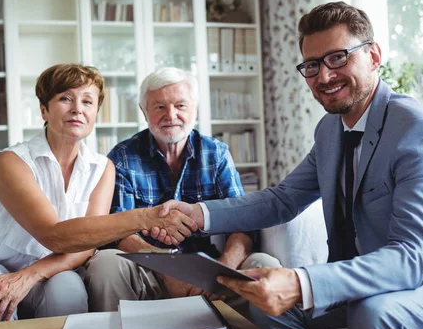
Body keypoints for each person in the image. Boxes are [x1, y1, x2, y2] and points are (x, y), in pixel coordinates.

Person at [154, 2, 423, 329]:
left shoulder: (418, 131)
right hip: (365, 288)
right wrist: (199, 214)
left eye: (338, 58)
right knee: (261, 302)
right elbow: (283, 200)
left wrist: (302, 282)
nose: (324, 76)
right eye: (312, 65)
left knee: (376, 313)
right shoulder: (330, 131)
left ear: (374, 55)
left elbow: (412, 258)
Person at [0, 64, 197, 326]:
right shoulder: (11, 161)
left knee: (68, 291)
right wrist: (147, 217)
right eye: (66, 99)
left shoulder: (103, 168)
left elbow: (88, 245)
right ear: (44, 110)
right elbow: (53, 235)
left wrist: (30, 276)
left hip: (54, 269)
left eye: (88, 102)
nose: (78, 109)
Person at [85, 67, 280, 312]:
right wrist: (170, 269)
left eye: (180, 105)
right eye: (159, 107)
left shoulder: (215, 153)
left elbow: (241, 221)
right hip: (148, 269)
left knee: (265, 264)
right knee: (105, 262)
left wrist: (224, 269)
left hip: (209, 269)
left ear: (195, 110)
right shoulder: (123, 157)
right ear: (144, 112)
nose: (171, 115)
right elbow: (118, 232)